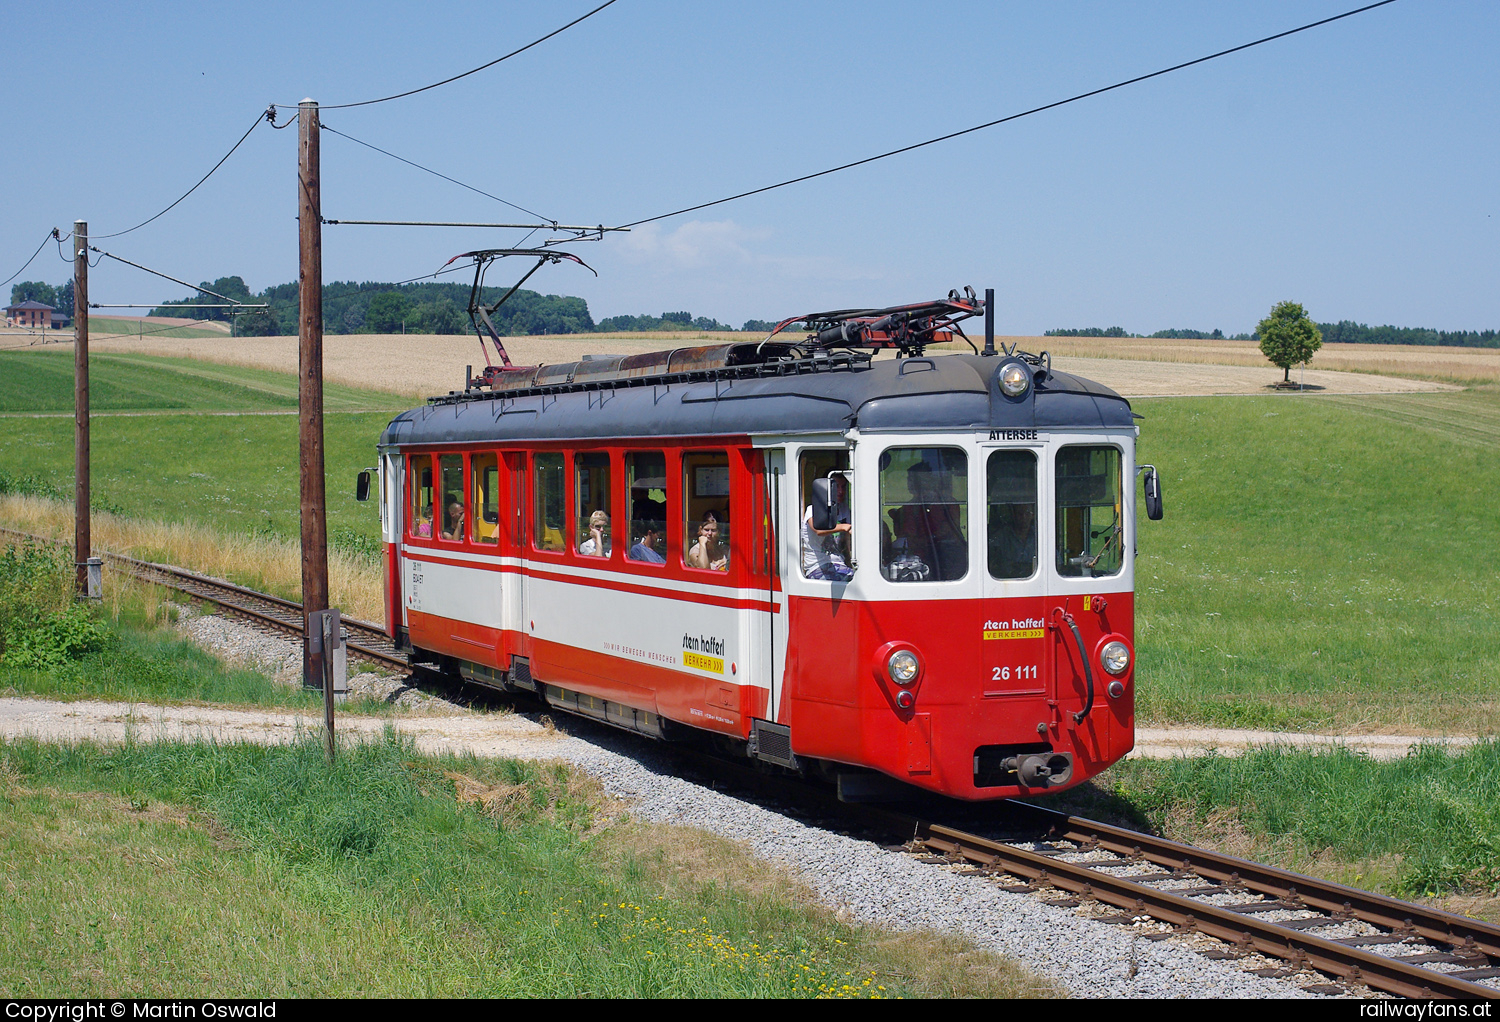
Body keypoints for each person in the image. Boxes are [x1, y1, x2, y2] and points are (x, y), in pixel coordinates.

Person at [889, 462, 966, 580]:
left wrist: (929, 539)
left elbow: (949, 529)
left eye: (915, 480)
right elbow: (907, 536)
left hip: (949, 558)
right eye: (909, 480)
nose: (910, 484)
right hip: (919, 561)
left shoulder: (948, 504)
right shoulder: (908, 508)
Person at [802, 475, 854, 581]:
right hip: (818, 567)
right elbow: (819, 530)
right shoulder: (812, 510)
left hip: (840, 565)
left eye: (843, 487)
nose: (840, 491)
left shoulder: (844, 509)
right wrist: (844, 527)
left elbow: (847, 544)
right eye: (836, 487)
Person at [988, 501, 1038, 578]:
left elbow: (1057, 563)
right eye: (1020, 514)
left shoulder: (1039, 537)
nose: (1024, 517)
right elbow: (992, 564)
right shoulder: (1000, 537)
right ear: (1013, 515)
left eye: (1028, 513)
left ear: (1033, 515)